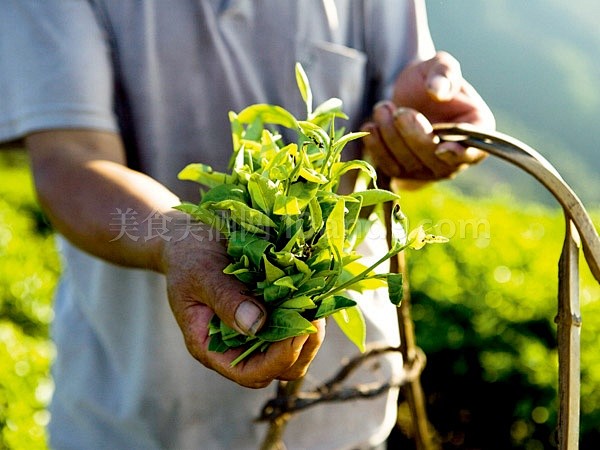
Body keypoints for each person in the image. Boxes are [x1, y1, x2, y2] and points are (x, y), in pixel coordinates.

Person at [0, 1, 494, 449]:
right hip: (127, 414)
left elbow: (397, 147)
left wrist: (428, 130)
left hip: (334, 417)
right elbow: (70, 158)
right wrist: (179, 237)